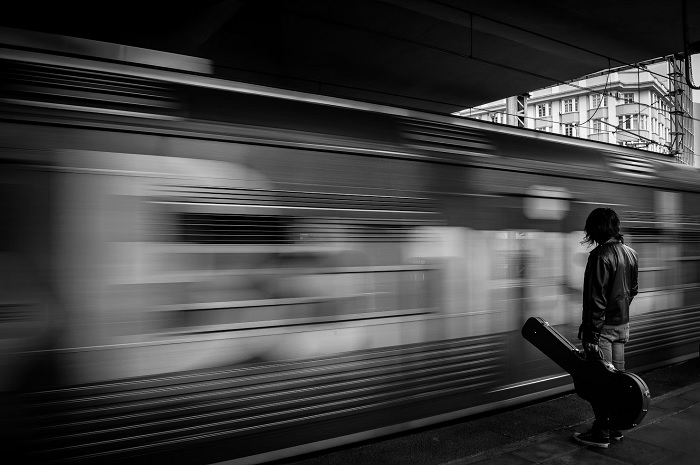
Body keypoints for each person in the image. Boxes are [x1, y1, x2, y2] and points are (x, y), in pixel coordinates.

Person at [573, 207, 639, 448]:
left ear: (596, 229)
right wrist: (620, 310)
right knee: (616, 381)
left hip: (603, 331)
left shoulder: (600, 256)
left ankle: (601, 432)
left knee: (600, 382)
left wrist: (591, 334)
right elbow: (632, 289)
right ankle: (615, 429)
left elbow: (596, 299)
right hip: (622, 327)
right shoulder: (630, 253)